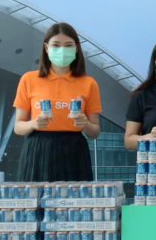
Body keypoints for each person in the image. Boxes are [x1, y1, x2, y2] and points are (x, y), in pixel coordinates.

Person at [13, 22, 102, 181]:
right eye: (56, 45)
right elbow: (18, 127)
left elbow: (95, 132)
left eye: (68, 45)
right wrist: (33, 124)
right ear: (46, 48)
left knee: (75, 196)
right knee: (36, 197)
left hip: (74, 150)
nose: (62, 50)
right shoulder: (29, 79)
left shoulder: (89, 83)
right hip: (37, 149)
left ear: (76, 48)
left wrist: (85, 124)